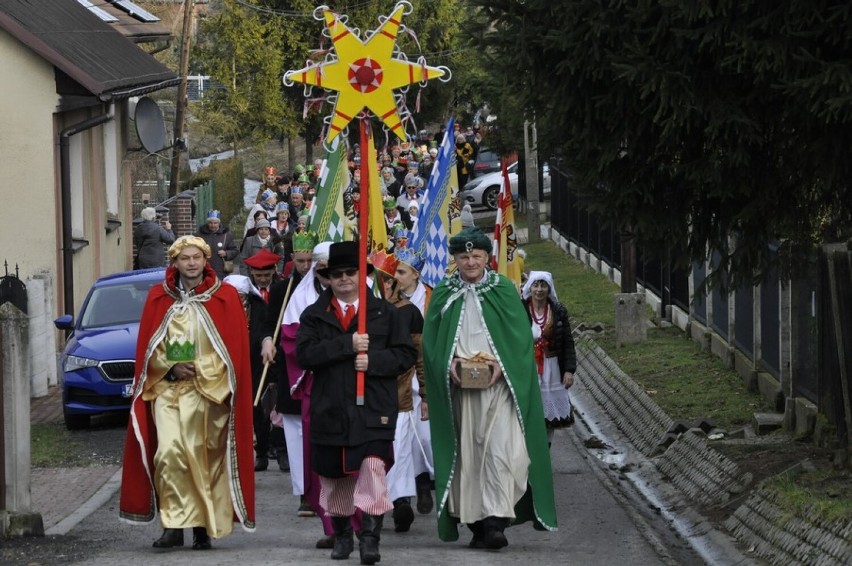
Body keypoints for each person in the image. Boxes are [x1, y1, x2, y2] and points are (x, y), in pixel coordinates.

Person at [422, 227, 557, 550]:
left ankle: (497, 521)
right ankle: (477, 525)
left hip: (500, 390)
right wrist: (450, 363)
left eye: (477, 256)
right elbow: (431, 344)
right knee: (468, 458)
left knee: (503, 452)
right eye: (464, 257)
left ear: (487, 258)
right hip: (461, 393)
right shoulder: (443, 292)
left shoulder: (503, 290)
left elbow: (520, 339)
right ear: (455, 259)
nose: (470, 262)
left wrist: (500, 364)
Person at [119, 235, 255, 550]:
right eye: (185, 258)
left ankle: (202, 527)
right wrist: (170, 367)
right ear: (175, 262)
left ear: (205, 260)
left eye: (196, 257)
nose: (191, 263)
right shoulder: (158, 297)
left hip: (209, 392)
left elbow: (234, 353)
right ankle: (173, 525)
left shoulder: (225, 296)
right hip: (166, 390)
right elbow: (147, 352)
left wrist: (205, 371)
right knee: (168, 454)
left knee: (202, 458)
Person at [296, 241, 416, 565]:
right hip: (330, 409)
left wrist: (373, 361)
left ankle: (370, 539)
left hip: (373, 408)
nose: (345, 279)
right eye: (337, 274)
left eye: (351, 272)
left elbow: (405, 354)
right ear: (328, 278)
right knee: (335, 478)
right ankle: (342, 535)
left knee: (373, 470)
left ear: (362, 275)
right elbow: (305, 354)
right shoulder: (314, 315)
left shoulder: (385, 312)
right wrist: (346, 345)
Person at [370, 249, 425, 534]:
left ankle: (401, 500)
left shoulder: (411, 313)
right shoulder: (363, 311)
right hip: (368, 394)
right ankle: (375, 507)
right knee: (372, 453)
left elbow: (419, 356)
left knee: (400, 449)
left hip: (401, 393)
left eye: (383, 279)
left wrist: (425, 394)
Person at [392, 244, 434, 515]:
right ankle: (402, 499)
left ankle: (424, 483)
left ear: (416, 274)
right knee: (400, 441)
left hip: (427, 376)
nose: (396, 276)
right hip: (400, 382)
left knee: (426, 439)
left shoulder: (433, 298)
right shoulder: (389, 301)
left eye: (402, 271)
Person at [521, 271, 577, 442]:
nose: (539, 290)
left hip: (552, 369)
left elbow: (567, 341)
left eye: (543, 285)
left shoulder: (558, 311)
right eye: (536, 285)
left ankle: (546, 447)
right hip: (528, 368)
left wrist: (568, 370)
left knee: (549, 417)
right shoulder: (520, 309)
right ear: (530, 287)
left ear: (549, 288)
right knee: (528, 413)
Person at [195, 210, 239, 280]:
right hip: (204, 269)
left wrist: (226, 253)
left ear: (219, 223)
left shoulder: (226, 235)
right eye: (210, 223)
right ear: (207, 223)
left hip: (221, 271)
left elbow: (235, 250)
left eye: (215, 223)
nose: (213, 225)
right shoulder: (199, 235)